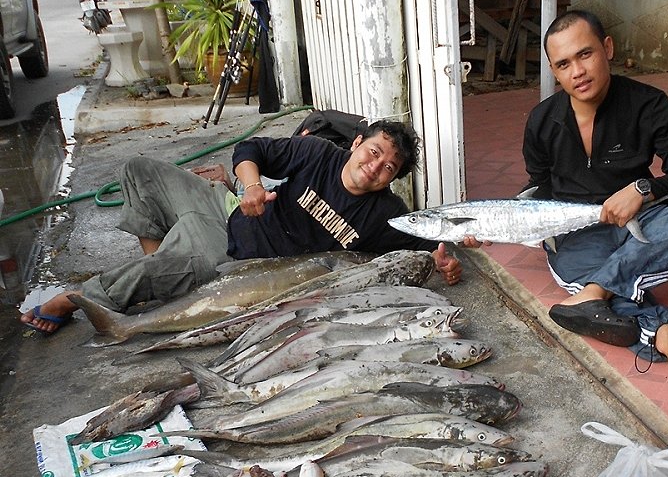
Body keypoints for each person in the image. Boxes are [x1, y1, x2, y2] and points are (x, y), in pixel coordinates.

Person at [20, 119, 463, 334]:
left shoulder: (386, 213)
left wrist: (443, 255)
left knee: (166, 271)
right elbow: (251, 146)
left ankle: (73, 300)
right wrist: (250, 185)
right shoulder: (319, 154)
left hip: (237, 261)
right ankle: (165, 271)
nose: (376, 167)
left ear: (394, 178)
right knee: (139, 168)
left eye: (389, 166)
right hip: (227, 209)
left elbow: (425, 242)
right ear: (356, 144)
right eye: (373, 152)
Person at [523, 9, 668, 375]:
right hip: (578, 238)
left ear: (607, 48)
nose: (577, 72)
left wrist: (643, 189)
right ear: (555, 71)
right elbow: (539, 189)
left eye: (585, 54)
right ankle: (667, 334)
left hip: (640, 219)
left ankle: (593, 295)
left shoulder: (648, 104)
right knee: (577, 269)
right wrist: (496, 225)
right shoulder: (542, 121)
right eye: (564, 64)